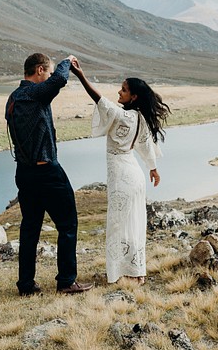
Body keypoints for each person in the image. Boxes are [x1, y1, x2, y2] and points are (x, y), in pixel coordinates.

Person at [69, 58, 170, 285]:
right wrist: (153, 169)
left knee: (117, 224)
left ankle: (117, 274)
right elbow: (146, 146)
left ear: (134, 96)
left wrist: (80, 76)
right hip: (135, 175)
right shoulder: (141, 118)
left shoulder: (123, 115)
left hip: (121, 177)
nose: (119, 91)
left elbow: (98, 99)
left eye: (124, 90)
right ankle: (137, 272)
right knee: (134, 223)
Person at [5, 53, 93, 296]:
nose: (51, 76)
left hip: (24, 173)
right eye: (49, 72)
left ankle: (26, 286)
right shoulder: (34, 94)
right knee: (67, 224)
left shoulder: (13, 98)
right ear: (40, 70)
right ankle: (66, 281)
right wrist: (67, 62)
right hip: (47, 171)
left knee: (30, 228)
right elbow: (59, 81)